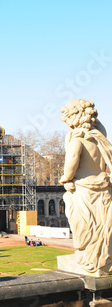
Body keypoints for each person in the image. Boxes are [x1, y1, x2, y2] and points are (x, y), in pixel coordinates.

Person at [59, 99, 112, 275]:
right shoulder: (100, 137)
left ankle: (90, 259)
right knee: (102, 226)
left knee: (86, 226)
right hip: (103, 188)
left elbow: (72, 161)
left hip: (83, 190)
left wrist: (65, 178)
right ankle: (104, 258)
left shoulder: (77, 140)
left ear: (74, 117)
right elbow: (98, 125)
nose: (65, 123)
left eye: (67, 118)